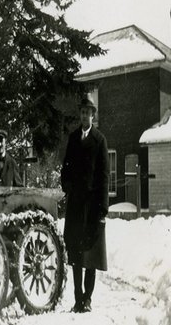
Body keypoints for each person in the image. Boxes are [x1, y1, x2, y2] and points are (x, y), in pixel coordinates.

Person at [61, 93, 109, 313]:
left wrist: (103, 207)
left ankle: (88, 299)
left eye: (88, 113)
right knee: (75, 253)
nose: (84, 116)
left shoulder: (100, 141)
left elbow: (104, 176)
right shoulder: (73, 139)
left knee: (90, 253)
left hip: (91, 207)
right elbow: (66, 168)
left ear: (93, 115)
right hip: (75, 206)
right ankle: (77, 298)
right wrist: (67, 185)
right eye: (81, 112)